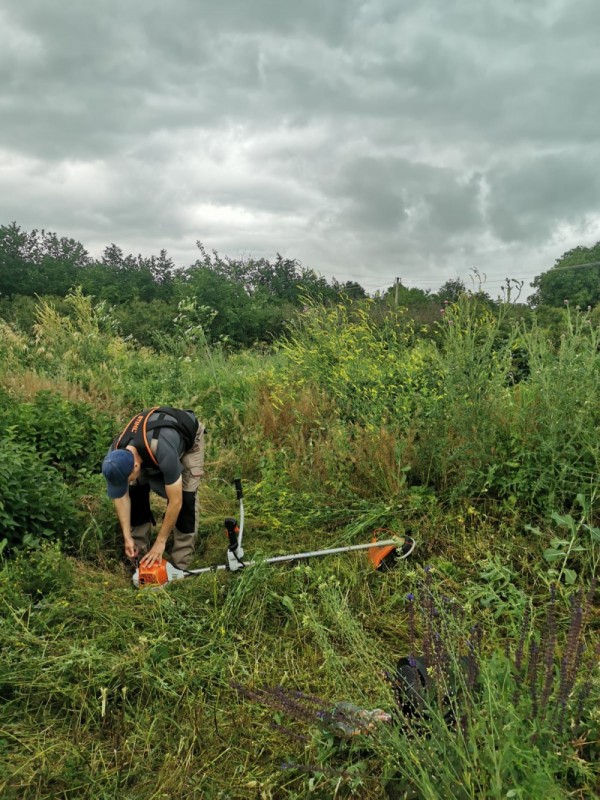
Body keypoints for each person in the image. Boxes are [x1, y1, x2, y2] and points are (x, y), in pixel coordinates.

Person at [101, 406, 205, 570]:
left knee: (186, 499)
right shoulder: (114, 458)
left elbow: (176, 501)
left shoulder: (162, 448)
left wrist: (160, 542)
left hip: (188, 439)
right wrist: (127, 537)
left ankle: (181, 564)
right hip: (149, 448)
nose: (125, 484)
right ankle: (139, 556)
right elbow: (121, 498)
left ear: (136, 466)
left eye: (126, 480)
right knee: (135, 492)